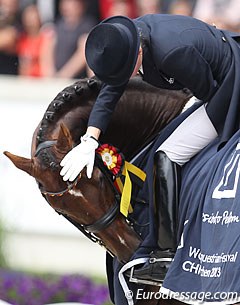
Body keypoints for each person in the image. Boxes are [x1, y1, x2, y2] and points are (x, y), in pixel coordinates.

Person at [60, 14, 240, 282]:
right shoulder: (128, 38)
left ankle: (165, 251)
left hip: (227, 85)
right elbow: (110, 93)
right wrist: (89, 140)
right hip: (210, 77)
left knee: (166, 154)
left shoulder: (171, 53)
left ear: (139, 51)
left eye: (126, 71)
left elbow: (206, 90)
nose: (124, 78)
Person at [44, 0, 96, 79]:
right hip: (54, 76)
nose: (67, 6)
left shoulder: (87, 25)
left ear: (80, 6)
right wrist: (49, 73)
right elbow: (48, 47)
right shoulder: (58, 24)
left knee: (86, 43)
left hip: (75, 79)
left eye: (71, 2)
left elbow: (83, 52)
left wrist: (63, 76)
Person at [17, 4, 52, 77]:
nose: (30, 22)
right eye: (28, 18)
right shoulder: (22, 39)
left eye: (33, 18)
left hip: (40, 80)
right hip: (26, 81)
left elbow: (46, 65)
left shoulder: (45, 39)